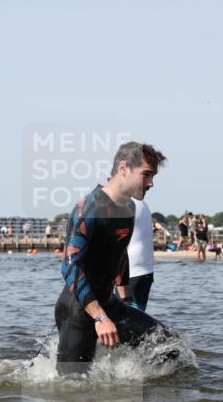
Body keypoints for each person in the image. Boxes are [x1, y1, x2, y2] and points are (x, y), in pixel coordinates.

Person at [56, 142, 169, 375]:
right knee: (72, 387)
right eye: (146, 175)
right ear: (123, 168)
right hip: (79, 308)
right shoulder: (89, 208)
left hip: (110, 304)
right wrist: (100, 318)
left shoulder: (129, 208)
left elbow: (120, 254)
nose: (151, 183)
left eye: (153, 176)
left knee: (169, 348)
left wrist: (128, 301)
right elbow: (70, 268)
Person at [118, 197, 156, 310]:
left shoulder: (126, 203)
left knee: (125, 320)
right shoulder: (142, 203)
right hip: (145, 272)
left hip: (131, 273)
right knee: (137, 317)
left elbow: (118, 245)